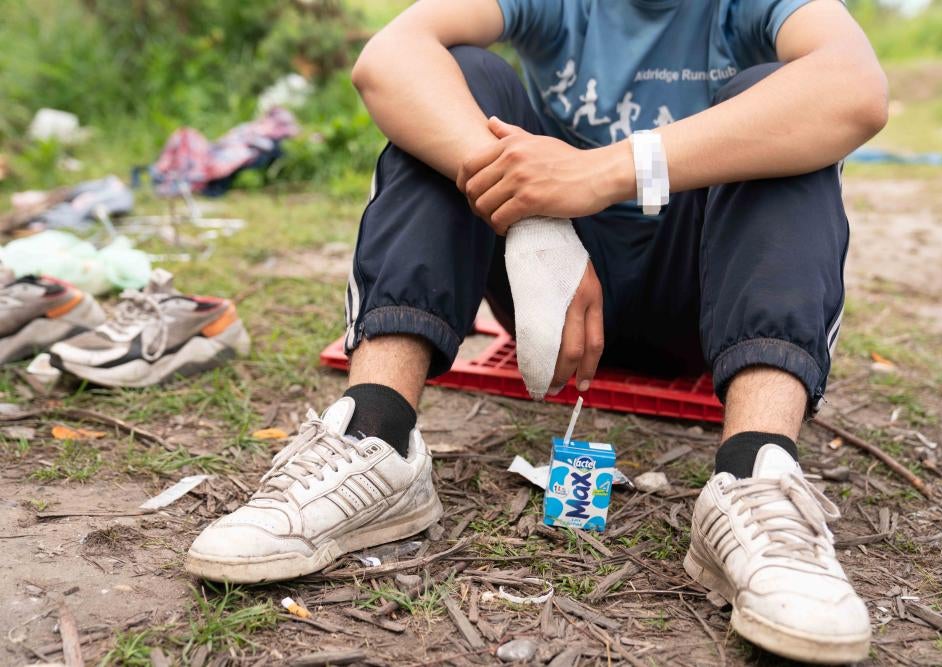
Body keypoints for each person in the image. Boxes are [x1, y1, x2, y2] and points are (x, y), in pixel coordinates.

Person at [186, 0, 887, 661]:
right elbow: (389, 58)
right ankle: (376, 434)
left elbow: (855, 89)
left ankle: (755, 478)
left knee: (785, 101)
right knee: (463, 80)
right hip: (551, 287)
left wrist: (606, 171)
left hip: (701, 296)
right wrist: (533, 214)